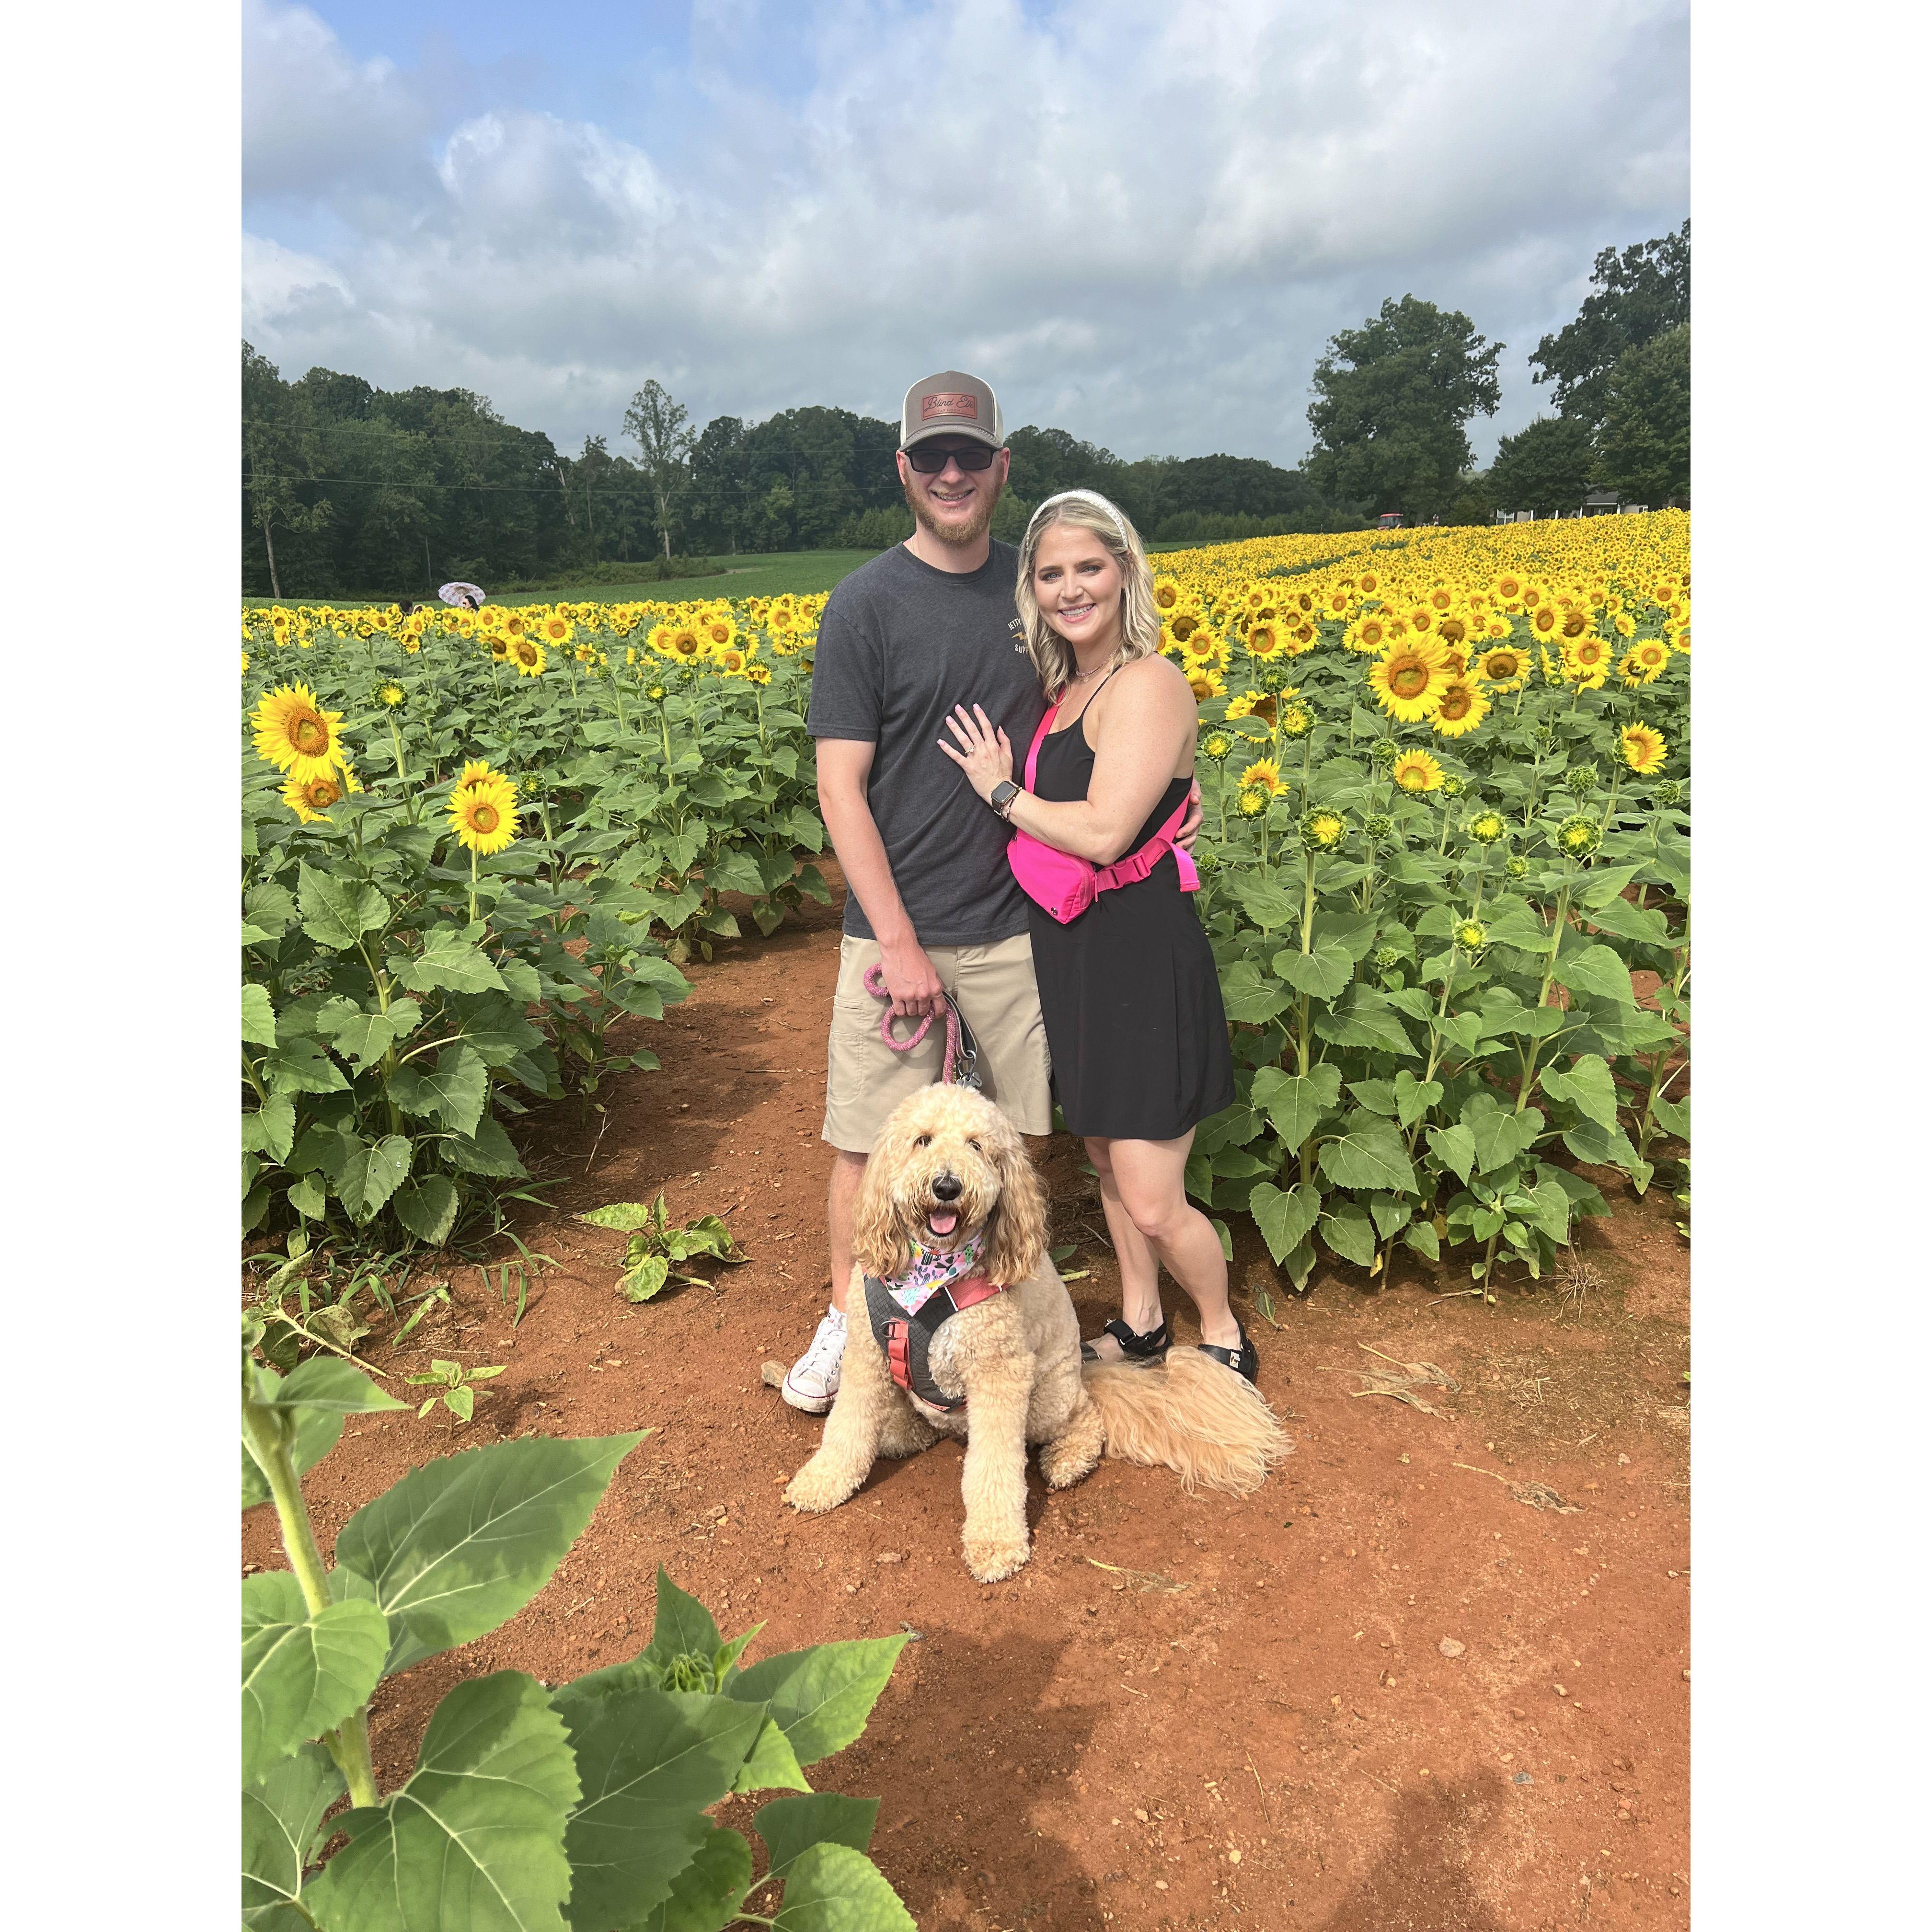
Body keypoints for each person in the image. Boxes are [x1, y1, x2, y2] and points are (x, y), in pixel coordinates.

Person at [785, 371, 1200, 1413]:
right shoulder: (866, 604)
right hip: (898, 932)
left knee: (1009, 1150)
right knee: (871, 1147)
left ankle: (985, 1329)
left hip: (1021, 932)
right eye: (933, 457)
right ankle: (851, 1323)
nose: (952, 473)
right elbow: (839, 788)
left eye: (970, 456)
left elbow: (1113, 717)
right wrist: (897, 939)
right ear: (905, 470)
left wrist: (1168, 811)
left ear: (1001, 467)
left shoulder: (1038, 592)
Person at [937, 490, 1255, 1383]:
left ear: (1125, 571)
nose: (1071, 589)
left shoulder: (1147, 682)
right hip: (1078, 950)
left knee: (1153, 1198)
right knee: (1108, 1158)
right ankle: (1143, 1322)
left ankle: (1225, 1332)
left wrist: (1002, 792)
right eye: (1051, 575)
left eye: (1089, 568)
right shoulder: (1070, 689)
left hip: (1139, 952)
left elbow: (1107, 832)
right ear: (1032, 591)